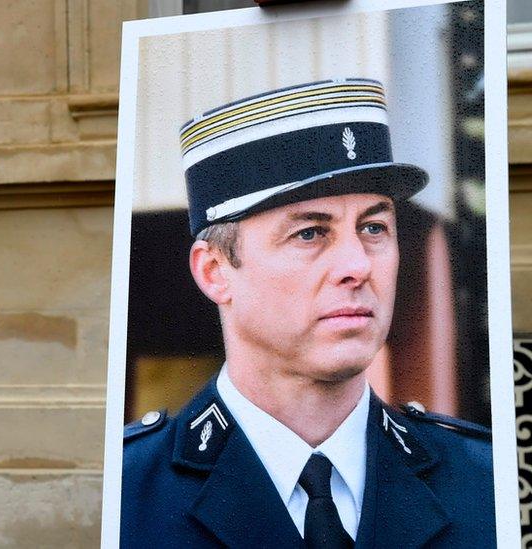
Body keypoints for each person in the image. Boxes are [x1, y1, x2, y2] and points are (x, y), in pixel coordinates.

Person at [120, 78, 494, 548]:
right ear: (215, 271)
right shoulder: (126, 495)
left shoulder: (485, 482)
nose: (358, 266)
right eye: (311, 234)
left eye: (374, 227)